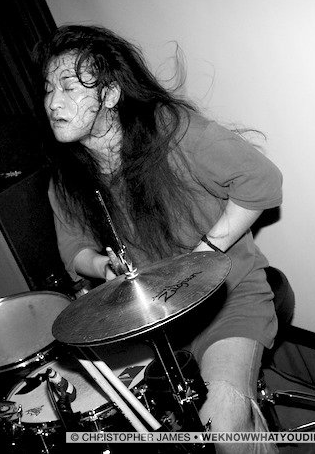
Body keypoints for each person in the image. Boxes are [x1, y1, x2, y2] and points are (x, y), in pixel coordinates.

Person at [34, 25, 282, 453]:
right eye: (48, 88)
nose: (53, 102)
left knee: (221, 427)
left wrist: (205, 253)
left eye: (69, 87)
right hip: (148, 317)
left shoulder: (172, 131)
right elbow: (72, 249)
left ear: (111, 94)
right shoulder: (67, 177)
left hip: (226, 300)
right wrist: (102, 266)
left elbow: (261, 181)